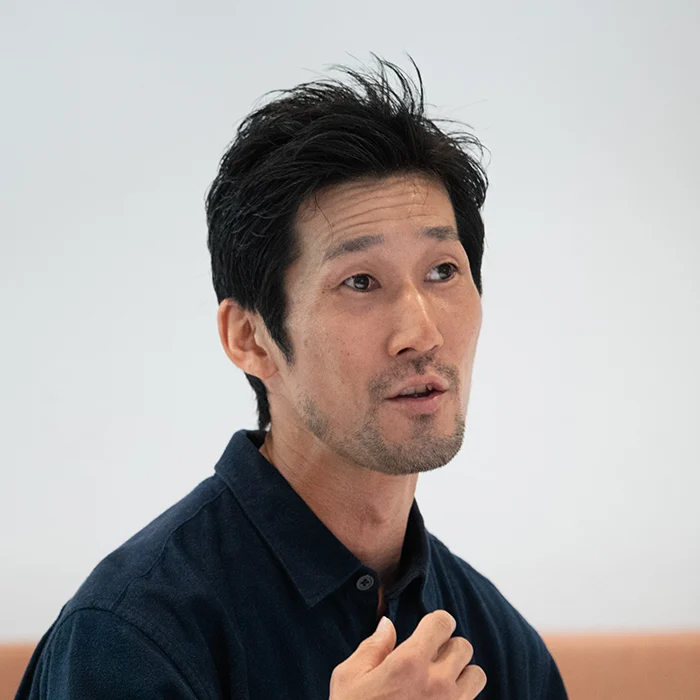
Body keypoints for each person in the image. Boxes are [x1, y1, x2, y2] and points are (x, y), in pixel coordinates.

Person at [16, 55, 569, 699]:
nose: (422, 332)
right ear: (251, 339)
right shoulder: (130, 633)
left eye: (443, 270)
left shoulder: (499, 645)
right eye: (360, 281)